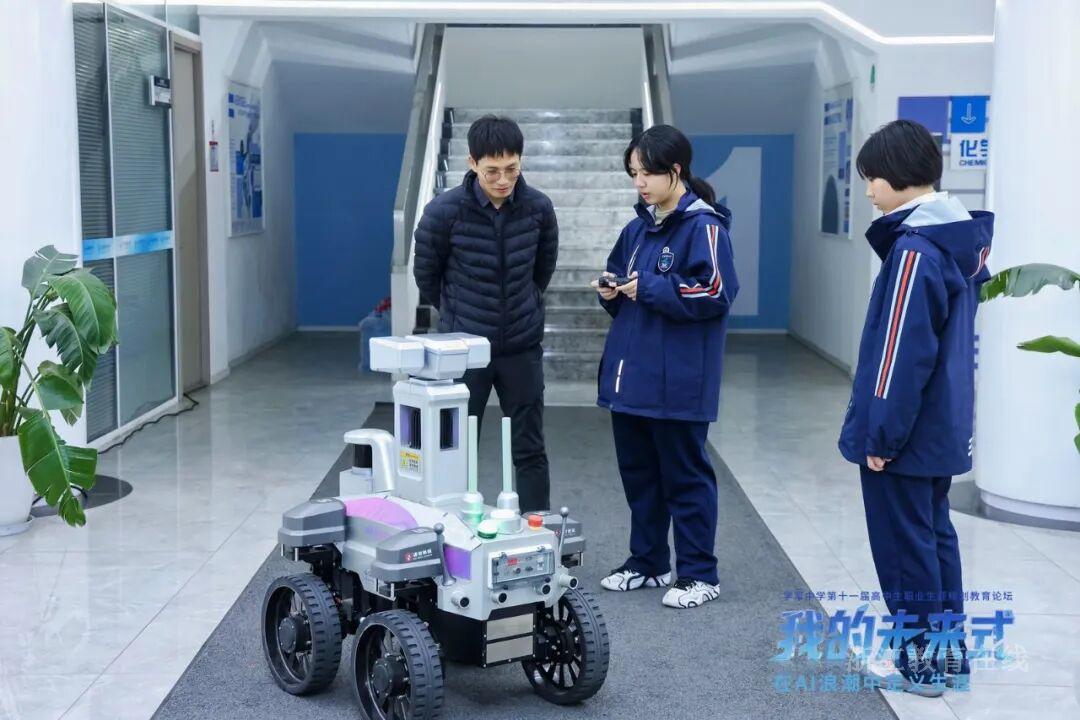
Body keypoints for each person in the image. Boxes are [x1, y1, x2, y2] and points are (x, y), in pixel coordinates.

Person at [839, 119, 994, 696]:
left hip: (905, 436)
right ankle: (949, 660)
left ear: (898, 176)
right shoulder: (955, 239)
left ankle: (920, 668)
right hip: (939, 429)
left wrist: (880, 436)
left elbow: (898, 359)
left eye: (872, 178)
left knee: (906, 553)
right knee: (933, 539)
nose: (868, 191)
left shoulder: (913, 250)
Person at [592, 125, 738, 610]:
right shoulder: (636, 229)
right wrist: (612, 291)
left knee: (685, 479)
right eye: (634, 173)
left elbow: (716, 292)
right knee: (641, 478)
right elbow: (627, 293)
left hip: (678, 385)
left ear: (676, 171)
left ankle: (699, 574)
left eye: (648, 173)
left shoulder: (705, 227)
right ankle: (648, 562)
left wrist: (651, 287)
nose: (640, 183)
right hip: (631, 381)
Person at [413, 115, 558, 512]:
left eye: (512, 168)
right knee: (455, 449)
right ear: (472, 162)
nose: (503, 179)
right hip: (463, 351)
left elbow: (542, 271)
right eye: (492, 170)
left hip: (521, 349)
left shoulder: (539, 208)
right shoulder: (443, 212)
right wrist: (459, 317)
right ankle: (454, 529)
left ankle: (537, 527)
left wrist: (524, 308)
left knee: (530, 448)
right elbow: (426, 275)